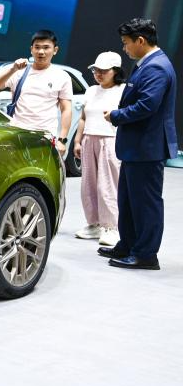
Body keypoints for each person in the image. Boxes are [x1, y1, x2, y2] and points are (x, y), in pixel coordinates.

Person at [98, 18, 178, 270]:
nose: (124, 48)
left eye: (126, 43)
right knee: (129, 201)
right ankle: (128, 245)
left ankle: (145, 255)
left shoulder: (156, 68)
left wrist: (116, 116)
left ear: (140, 41)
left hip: (147, 147)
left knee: (145, 204)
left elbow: (146, 106)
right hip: (137, 146)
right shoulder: (148, 63)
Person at [0, 29, 73, 156]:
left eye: (46, 47)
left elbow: (66, 109)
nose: (41, 52)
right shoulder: (19, 71)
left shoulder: (62, 76)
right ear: (31, 49)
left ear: (55, 50)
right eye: (37, 47)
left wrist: (62, 140)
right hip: (17, 134)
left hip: (45, 136)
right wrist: (13, 68)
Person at [73, 52, 125, 247]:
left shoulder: (123, 90)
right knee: (88, 186)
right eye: (96, 70)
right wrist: (77, 141)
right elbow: (83, 118)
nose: (98, 74)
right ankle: (94, 224)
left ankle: (112, 227)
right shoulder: (91, 90)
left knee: (108, 185)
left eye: (104, 71)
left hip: (110, 140)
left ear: (115, 71)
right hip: (89, 139)